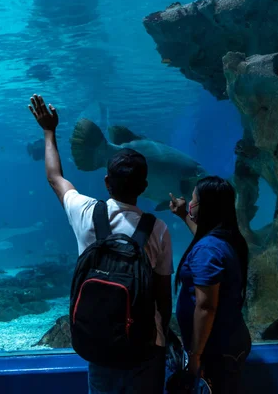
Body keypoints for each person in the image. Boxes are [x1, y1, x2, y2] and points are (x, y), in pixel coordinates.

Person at [28, 94, 173, 394]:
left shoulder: (85, 213)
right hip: (144, 348)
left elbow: (55, 178)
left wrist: (48, 131)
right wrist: (164, 336)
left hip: (100, 344)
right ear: (144, 187)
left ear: (107, 182)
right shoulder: (158, 230)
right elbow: (162, 295)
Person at [168, 176, 252, 394]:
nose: (190, 203)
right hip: (228, 341)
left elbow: (206, 307)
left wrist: (195, 356)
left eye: (194, 199)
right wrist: (183, 215)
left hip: (214, 350)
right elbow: (204, 239)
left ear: (207, 206)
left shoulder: (208, 250)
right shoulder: (226, 238)